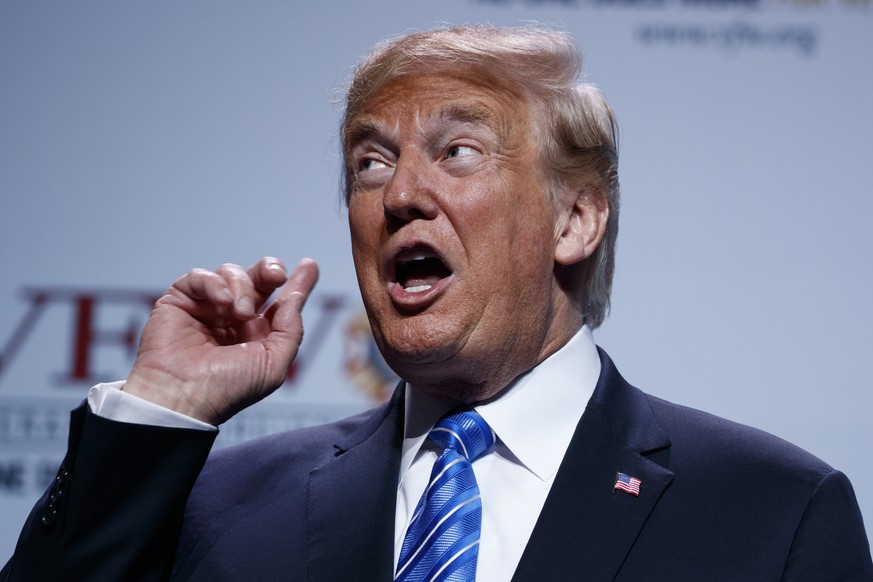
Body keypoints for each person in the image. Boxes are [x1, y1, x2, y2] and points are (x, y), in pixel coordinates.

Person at [3, 24, 871, 581]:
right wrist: (161, 411)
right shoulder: (222, 504)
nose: (399, 194)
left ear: (575, 217)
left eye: (457, 152)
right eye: (369, 163)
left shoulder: (770, 512)